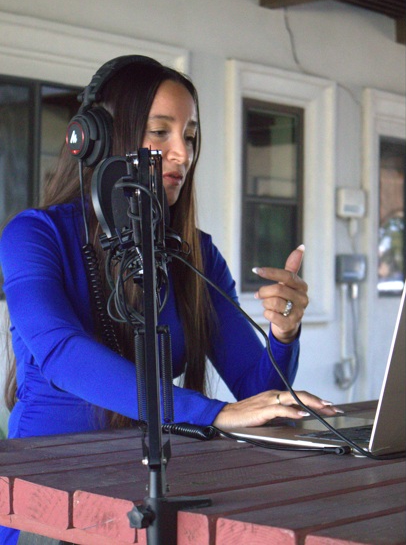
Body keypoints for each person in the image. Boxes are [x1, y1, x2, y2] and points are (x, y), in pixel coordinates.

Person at [0, 56, 340, 544]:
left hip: (149, 498)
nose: (182, 153)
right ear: (98, 138)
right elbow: (60, 351)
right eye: (160, 132)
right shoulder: (34, 235)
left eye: (191, 136)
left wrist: (284, 333)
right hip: (47, 500)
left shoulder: (195, 253)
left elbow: (257, 391)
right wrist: (211, 413)